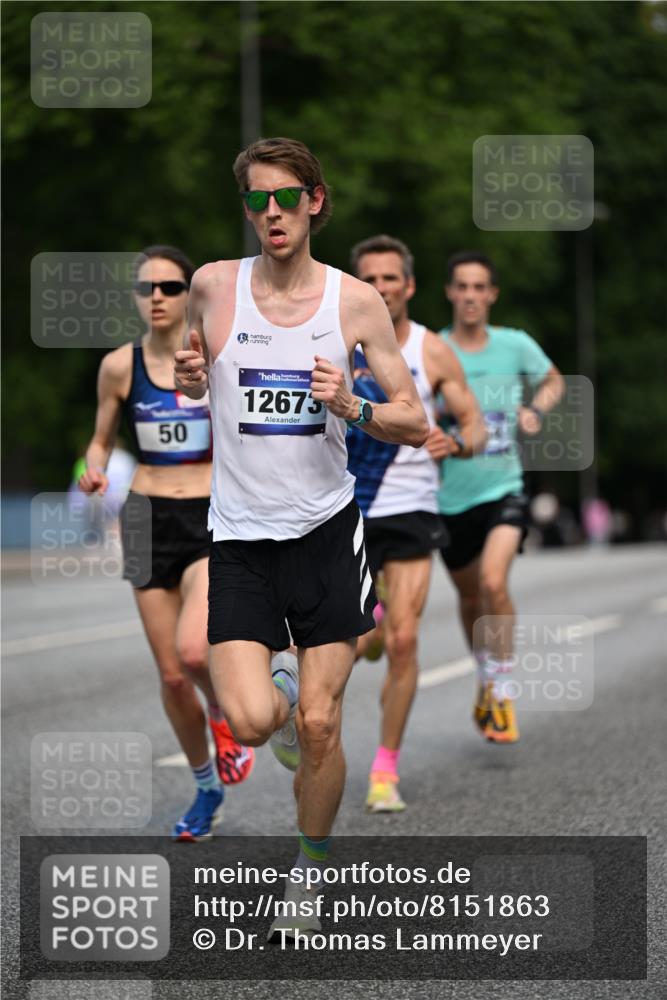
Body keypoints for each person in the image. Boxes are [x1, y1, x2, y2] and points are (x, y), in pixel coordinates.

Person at [174, 138, 428, 935]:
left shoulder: (354, 304)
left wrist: (350, 406)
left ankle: (308, 878)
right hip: (240, 539)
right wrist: (186, 380)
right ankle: (278, 702)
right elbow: (186, 371)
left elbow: (413, 421)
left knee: (323, 725)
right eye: (257, 201)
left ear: (315, 201)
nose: (271, 214)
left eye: (285, 199)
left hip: (325, 532)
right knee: (251, 722)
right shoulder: (213, 288)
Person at [78, 244, 254, 843]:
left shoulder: (216, 354)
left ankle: (227, 718)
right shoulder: (118, 367)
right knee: (172, 675)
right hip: (146, 516)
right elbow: (101, 438)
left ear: (189, 295)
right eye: (147, 287)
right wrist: (93, 466)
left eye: (170, 287)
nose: (157, 297)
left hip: (208, 513)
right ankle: (206, 789)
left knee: (197, 654)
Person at [347, 234, 485, 813]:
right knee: (353, 641)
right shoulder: (334, 341)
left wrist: (455, 442)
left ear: (408, 286)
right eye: (369, 280)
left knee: (403, 639)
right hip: (344, 506)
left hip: (409, 506)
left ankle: (384, 770)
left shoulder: (431, 351)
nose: (380, 289)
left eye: (390, 279)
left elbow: (475, 424)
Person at [429, 251, 565, 744]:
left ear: (492, 295)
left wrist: (535, 410)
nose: (469, 296)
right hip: (449, 496)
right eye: (461, 286)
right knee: (470, 597)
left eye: (479, 287)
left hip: (504, 486)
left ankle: (503, 690)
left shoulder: (514, 345)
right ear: (449, 292)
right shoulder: (434, 348)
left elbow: (553, 379)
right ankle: (486, 676)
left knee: (493, 580)